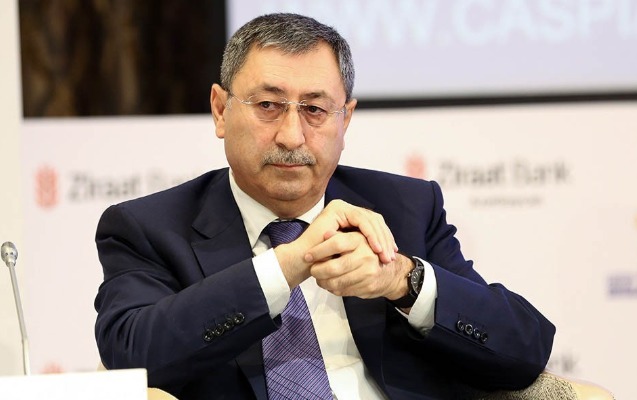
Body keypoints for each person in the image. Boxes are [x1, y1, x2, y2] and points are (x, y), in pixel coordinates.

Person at [94, 13, 555, 400]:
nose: (291, 136)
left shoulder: (406, 208)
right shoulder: (149, 228)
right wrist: (288, 265)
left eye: (314, 110)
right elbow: (130, 357)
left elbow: (525, 349)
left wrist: (403, 280)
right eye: (268, 105)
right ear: (220, 110)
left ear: (345, 119)